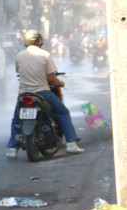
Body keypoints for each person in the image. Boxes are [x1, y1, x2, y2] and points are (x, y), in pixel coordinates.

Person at [6, 29, 84, 158]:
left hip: (24, 94)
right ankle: (71, 144)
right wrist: (60, 83)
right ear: (39, 41)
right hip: (42, 92)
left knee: (16, 120)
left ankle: (12, 149)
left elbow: (19, 72)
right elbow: (51, 79)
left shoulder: (19, 56)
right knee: (63, 112)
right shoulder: (45, 55)